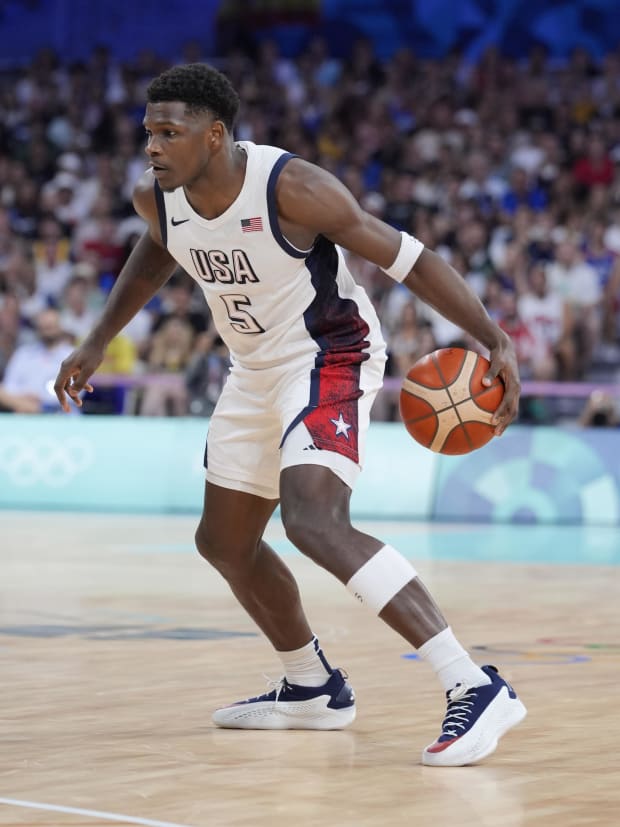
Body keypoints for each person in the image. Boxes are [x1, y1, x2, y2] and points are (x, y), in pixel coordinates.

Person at [54, 63, 526, 767]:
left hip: (330, 351)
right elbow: (157, 252)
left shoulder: (293, 188)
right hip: (254, 368)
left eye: (169, 132)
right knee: (224, 541)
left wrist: (492, 335)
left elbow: (410, 260)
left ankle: (473, 680)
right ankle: (312, 687)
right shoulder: (159, 196)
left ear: (214, 136)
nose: (152, 145)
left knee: (312, 520)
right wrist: (98, 339)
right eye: (148, 131)